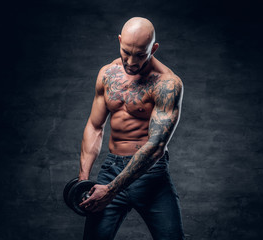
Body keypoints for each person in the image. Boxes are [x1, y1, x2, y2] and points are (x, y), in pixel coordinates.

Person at [78, 17, 185, 240]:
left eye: (140, 54)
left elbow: (156, 146)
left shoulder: (167, 84)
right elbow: (95, 126)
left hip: (150, 173)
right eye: (126, 51)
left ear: (153, 48)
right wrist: (83, 178)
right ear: (119, 40)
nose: (131, 61)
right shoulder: (107, 74)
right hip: (111, 169)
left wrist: (111, 191)